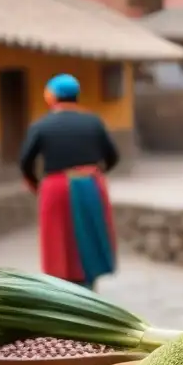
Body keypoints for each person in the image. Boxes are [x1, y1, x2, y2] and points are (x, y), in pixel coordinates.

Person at [19, 73, 119, 290]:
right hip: (90, 183)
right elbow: (112, 156)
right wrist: (95, 174)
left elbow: (25, 161)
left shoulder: (41, 125)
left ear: (52, 96)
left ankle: (63, 289)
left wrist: (36, 185)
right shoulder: (94, 122)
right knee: (90, 236)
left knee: (59, 239)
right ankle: (89, 285)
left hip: (55, 187)